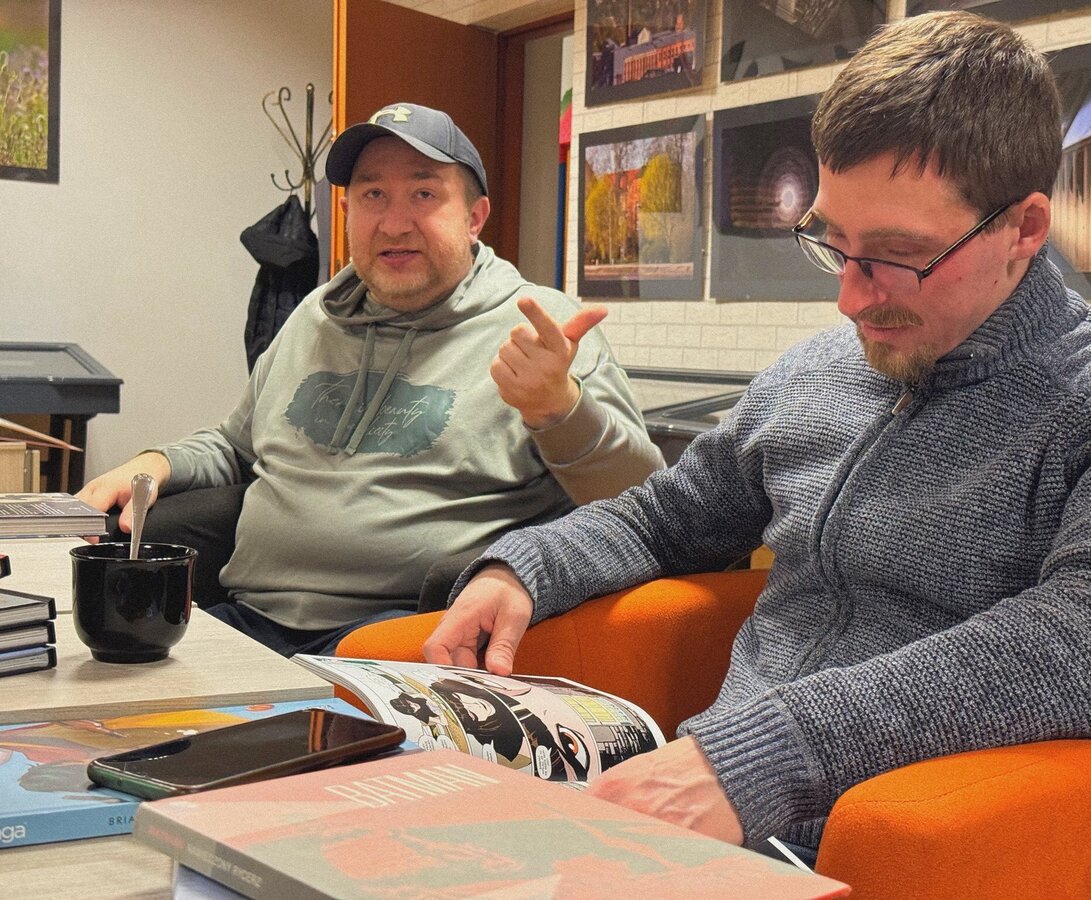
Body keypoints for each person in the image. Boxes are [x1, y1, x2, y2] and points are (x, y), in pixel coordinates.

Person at [425, 12, 1091, 862]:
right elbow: (666, 519)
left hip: (878, 839)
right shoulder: (813, 371)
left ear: (1024, 228)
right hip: (695, 810)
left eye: (898, 255)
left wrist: (763, 758)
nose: (851, 300)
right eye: (835, 244)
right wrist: (524, 568)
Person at [79, 101, 664, 657]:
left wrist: (558, 410)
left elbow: (646, 506)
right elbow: (236, 448)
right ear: (347, 214)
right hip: (248, 619)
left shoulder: (541, 331)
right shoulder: (313, 318)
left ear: (474, 218)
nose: (394, 222)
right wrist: (156, 463)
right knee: (95, 696)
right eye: (373, 194)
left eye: (424, 193)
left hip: (407, 636)